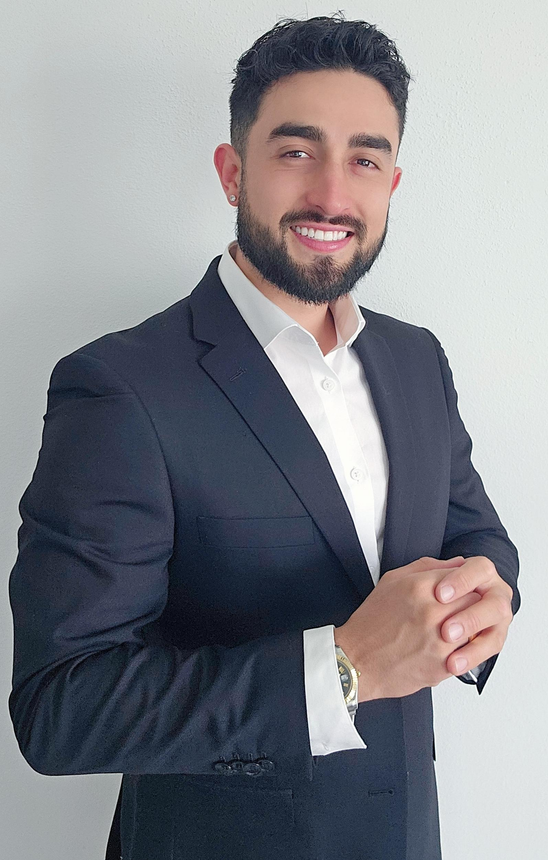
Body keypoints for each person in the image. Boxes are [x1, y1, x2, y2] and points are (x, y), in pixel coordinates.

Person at [8, 14, 520, 860]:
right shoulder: (120, 387)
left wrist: (486, 599)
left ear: (392, 183)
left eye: (364, 157)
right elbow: (64, 708)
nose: (330, 193)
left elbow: (475, 537)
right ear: (232, 170)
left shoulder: (416, 359)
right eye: (295, 151)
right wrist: (345, 666)